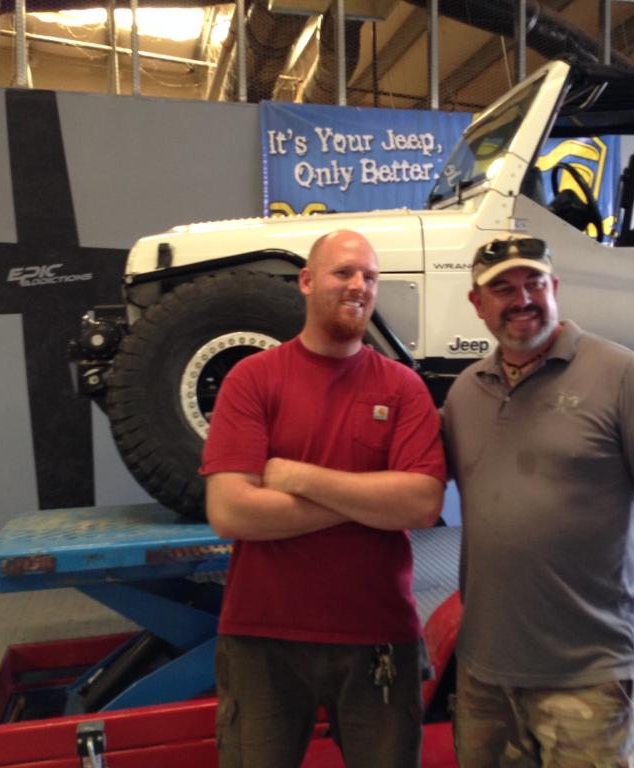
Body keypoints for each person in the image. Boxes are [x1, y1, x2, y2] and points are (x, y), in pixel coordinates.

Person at [441, 235, 634, 767]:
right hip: (484, 677)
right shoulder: (466, 392)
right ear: (477, 303)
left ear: (555, 288)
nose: (523, 299)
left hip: (588, 676)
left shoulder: (621, 376)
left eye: (534, 283)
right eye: (503, 288)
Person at [201, 229, 447, 768]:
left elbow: (420, 505)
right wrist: (368, 501)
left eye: (370, 277)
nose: (359, 285)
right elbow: (230, 511)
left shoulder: (403, 388)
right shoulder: (252, 379)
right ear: (307, 282)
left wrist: (300, 478)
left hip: (378, 637)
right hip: (262, 637)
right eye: (343, 273)